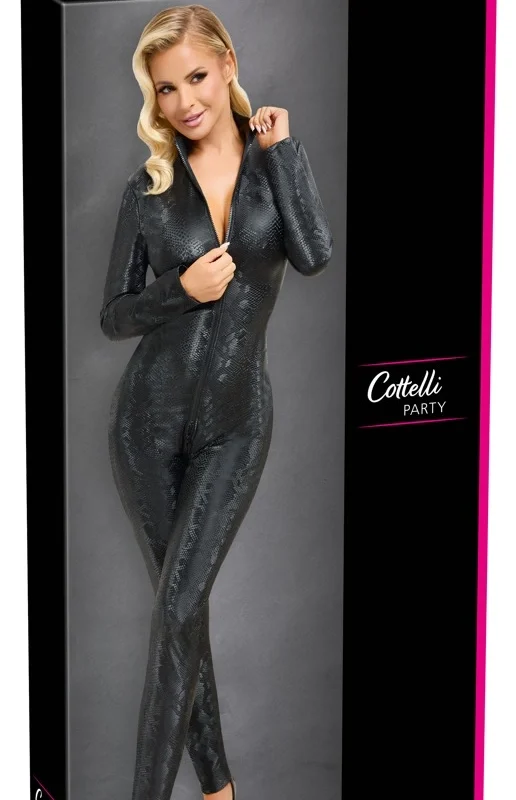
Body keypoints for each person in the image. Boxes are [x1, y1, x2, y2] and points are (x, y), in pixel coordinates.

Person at [99, 5, 333, 799]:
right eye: (165, 89)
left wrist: (285, 150)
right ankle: (220, 792)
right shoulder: (150, 189)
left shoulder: (273, 165)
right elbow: (114, 316)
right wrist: (179, 289)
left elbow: (314, 254)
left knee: (176, 613)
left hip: (236, 427)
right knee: (182, 616)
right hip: (145, 429)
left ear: (228, 64)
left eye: (196, 77)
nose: (183, 101)